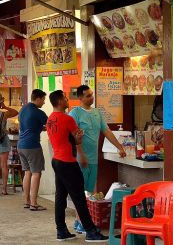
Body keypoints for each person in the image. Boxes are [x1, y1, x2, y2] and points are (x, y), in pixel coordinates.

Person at [47, 90, 108, 242]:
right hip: (68, 162)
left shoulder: (50, 119)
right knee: (79, 197)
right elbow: (77, 140)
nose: (68, 100)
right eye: (65, 98)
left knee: (60, 196)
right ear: (60, 101)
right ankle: (90, 231)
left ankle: (61, 230)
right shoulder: (67, 119)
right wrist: (78, 139)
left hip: (56, 160)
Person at [69, 85, 127, 234]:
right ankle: (82, 222)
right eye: (88, 96)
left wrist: (120, 147)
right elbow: (72, 136)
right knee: (80, 193)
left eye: (92, 94)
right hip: (79, 159)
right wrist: (79, 155)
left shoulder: (97, 113)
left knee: (88, 191)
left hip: (93, 159)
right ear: (80, 98)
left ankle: (78, 220)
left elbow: (106, 131)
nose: (92, 98)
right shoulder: (75, 113)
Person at [17, 89, 48, 211]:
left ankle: (26, 201)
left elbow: (27, 125)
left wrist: (39, 128)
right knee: (36, 173)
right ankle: (34, 203)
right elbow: (51, 124)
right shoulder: (38, 112)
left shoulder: (23, 109)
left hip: (21, 145)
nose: (44, 102)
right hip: (32, 146)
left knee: (27, 172)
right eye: (43, 100)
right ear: (38, 98)